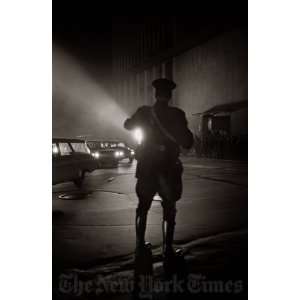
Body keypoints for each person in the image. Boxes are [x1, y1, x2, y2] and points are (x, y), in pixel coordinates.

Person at [124, 78, 194, 264]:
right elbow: (188, 141)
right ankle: (167, 249)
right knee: (169, 209)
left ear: (155, 94)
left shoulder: (144, 112)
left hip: (147, 169)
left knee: (143, 207)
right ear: (170, 95)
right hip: (168, 170)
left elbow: (127, 125)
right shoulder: (177, 114)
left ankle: (140, 246)